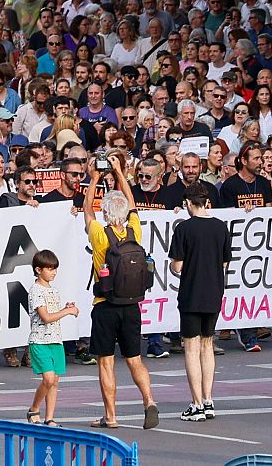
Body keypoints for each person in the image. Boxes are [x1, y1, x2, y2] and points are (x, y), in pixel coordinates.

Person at [82, 159, 160, 430]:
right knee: (134, 359)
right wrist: (120, 172)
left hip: (105, 303)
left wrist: (94, 178)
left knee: (106, 362)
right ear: (125, 213)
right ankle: (149, 400)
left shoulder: (99, 234)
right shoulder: (134, 230)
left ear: (105, 212)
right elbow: (133, 202)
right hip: (131, 305)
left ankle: (111, 416)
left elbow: (86, 211)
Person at [168, 182, 229, 422]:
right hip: (214, 291)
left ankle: (196, 403)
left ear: (189, 204)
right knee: (207, 345)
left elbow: (178, 264)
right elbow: (224, 263)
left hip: (192, 292)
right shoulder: (220, 227)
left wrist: (174, 266)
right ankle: (209, 399)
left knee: (191, 348)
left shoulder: (184, 228)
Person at [24, 248, 76, 427]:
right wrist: (67, 311)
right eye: (49, 269)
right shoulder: (36, 290)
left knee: (55, 381)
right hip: (40, 340)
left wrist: (66, 307)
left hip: (56, 340)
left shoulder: (54, 290)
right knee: (48, 378)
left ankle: (50, 417)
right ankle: (34, 408)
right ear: (38, 270)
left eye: (55, 269)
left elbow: (54, 313)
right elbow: (45, 317)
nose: (53, 272)